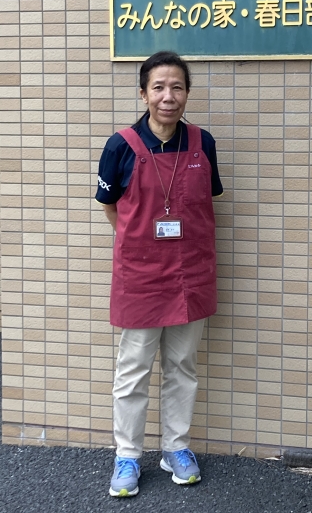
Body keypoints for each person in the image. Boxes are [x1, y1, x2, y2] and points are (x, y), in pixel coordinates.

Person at [95, 50, 223, 497]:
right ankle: (127, 455)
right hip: (141, 277)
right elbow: (111, 207)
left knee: (182, 366)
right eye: (159, 87)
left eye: (177, 87)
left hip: (190, 273)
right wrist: (141, 245)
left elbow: (207, 201)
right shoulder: (121, 145)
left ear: (187, 93)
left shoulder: (202, 143)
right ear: (144, 93)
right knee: (133, 369)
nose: (169, 96)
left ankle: (176, 448)